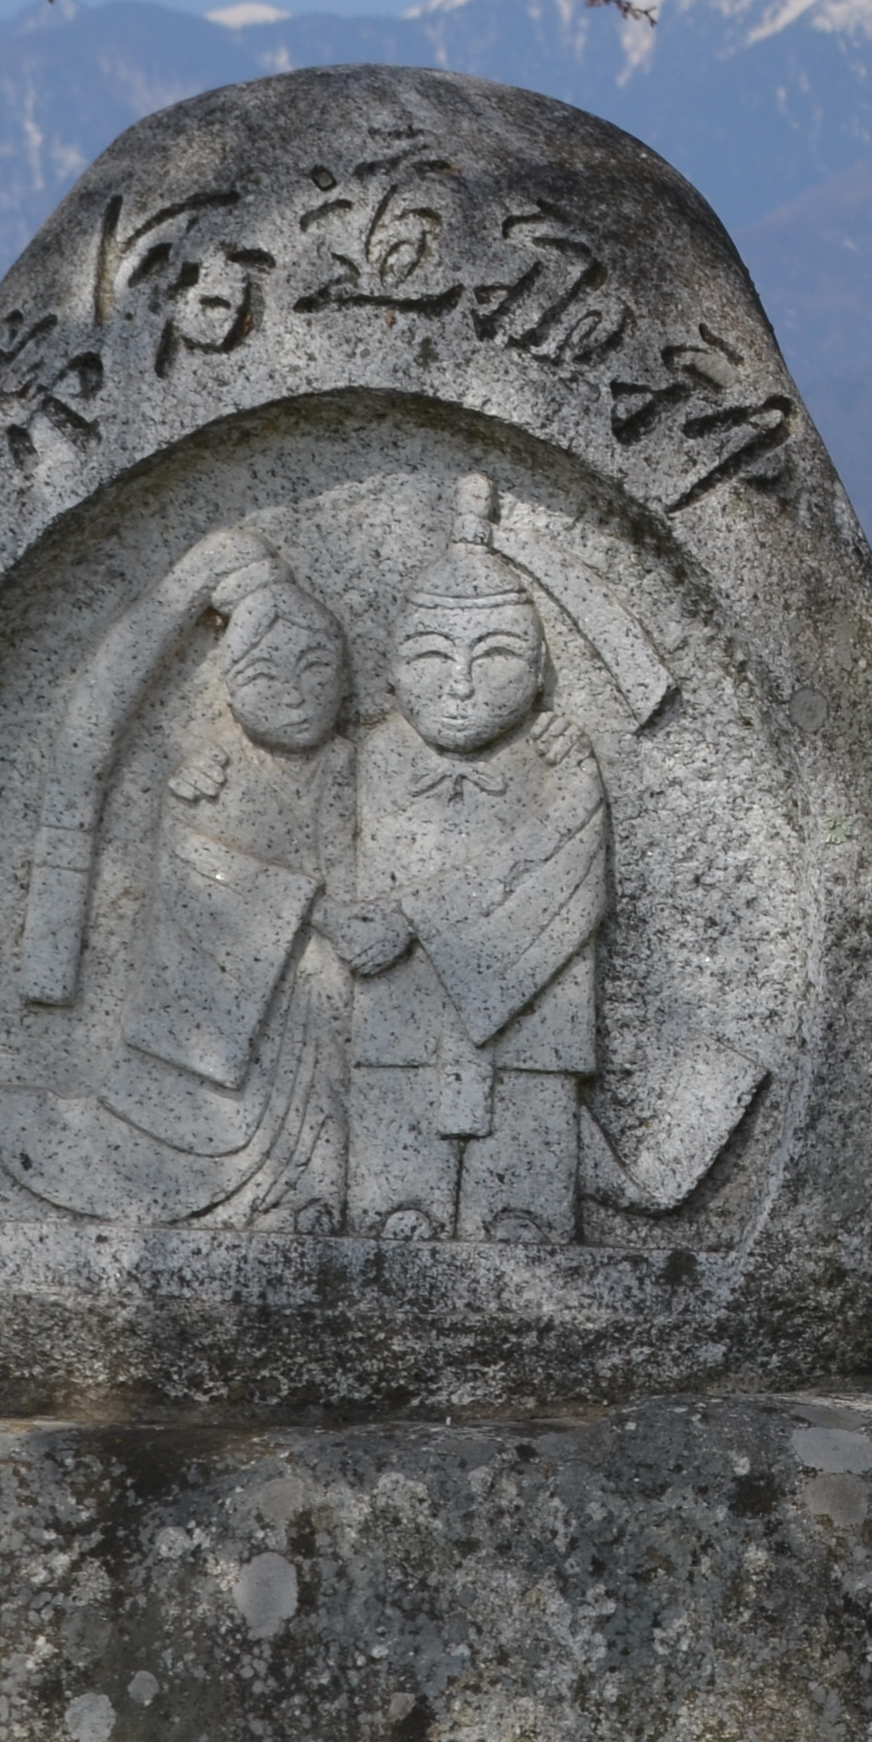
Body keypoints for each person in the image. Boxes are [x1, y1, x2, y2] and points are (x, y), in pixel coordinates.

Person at [0, 539, 358, 1231]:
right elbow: (200, 891)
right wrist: (304, 904)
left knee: (334, 1087)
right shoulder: (209, 780)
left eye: (315, 668)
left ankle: (319, 1192)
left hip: (335, 1004)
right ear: (232, 691)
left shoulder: (367, 768)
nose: (295, 693)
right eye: (266, 676)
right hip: (232, 1022)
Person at [333, 475, 609, 1243]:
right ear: (392, 668)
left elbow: (572, 859)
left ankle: (521, 1212)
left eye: (492, 658)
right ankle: (398, 1207)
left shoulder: (560, 755)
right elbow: (318, 854)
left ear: (539, 671)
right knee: (397, 1106)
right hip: (399, 1005)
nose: (458, 685)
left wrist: (416, 913)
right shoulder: (379, 755)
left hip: (534, 1004)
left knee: (527, 1129)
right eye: (430, 656)